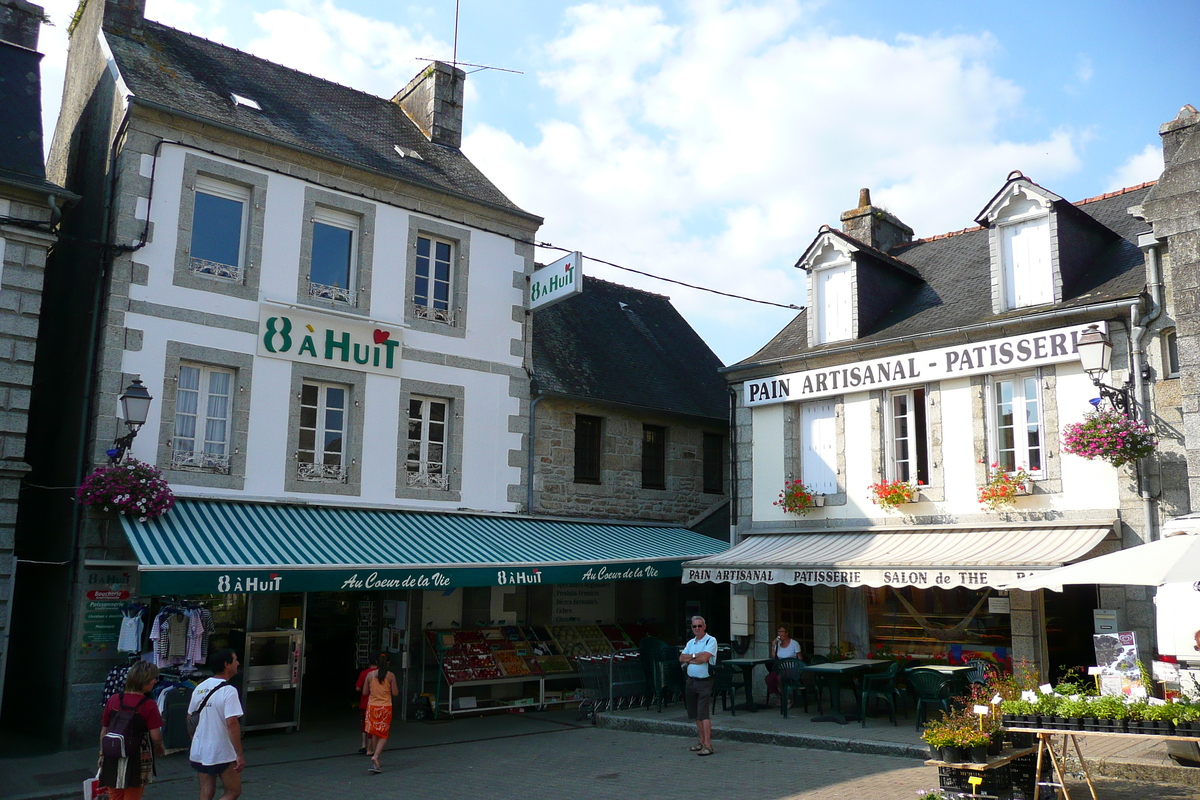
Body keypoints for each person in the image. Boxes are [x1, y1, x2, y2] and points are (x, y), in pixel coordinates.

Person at [98, 659, 165, 800]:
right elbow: (156, 736)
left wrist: (102, 753)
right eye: (153, 678)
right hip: (137, 756)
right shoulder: (149, 705)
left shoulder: (114, 699)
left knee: (115, 796)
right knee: (133, 795)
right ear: (144, 681)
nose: (155, 681)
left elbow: (104, 730)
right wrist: (159, 747)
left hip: (113, 754)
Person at [188, 649, 245, 800]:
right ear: (227, 665)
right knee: (233, 791)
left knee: (206, 792)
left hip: (200, 750)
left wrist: (195, 740)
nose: (238, 663)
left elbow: (189, 718)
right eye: (235, 660)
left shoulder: (199, 688)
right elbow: (232, 723)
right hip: (222, 751)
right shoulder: (229, 691)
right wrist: (239, 754)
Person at [678, 615, 717, 756]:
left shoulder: (710, 640)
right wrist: (696, 657)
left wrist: (691, 658)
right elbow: (681, 658)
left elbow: (705, 658)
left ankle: (708, 744)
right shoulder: (691, 642)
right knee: (695, 714)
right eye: (694, 626)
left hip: (704, 681)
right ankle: (701, 741)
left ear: (704, 626)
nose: (697, 629)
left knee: (703, 714)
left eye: (699, 626)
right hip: (691, 681)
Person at [362, 652, 399, 774]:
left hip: (372, 707)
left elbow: (365, 692)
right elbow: (395, 693)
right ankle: (376, 756)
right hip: (385, 708)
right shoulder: (390, 676)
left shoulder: (370, 675)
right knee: (383, 734)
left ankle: (374, 753)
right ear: (388, 663)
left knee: (374, 732)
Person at [765, 625, 803, 707]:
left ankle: (787, 698)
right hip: (780, 669)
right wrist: (773, 646)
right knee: (769, 678)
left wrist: (799, 670)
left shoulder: (794, 644)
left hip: (791, 669)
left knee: (780, 678)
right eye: (778, 632)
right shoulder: (778, 644)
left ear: (787, 633)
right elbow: (773, 657)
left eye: (781, 631)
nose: (779, 634)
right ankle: (779, 696)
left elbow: (800, 658)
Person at [354, 657, 378, 754]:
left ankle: (363, 744)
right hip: (375, 702)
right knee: (373, 725)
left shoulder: (364, 673)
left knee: (364, 723)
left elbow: (358, 688)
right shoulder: (381, 673)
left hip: (364, 702)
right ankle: (370, 747)